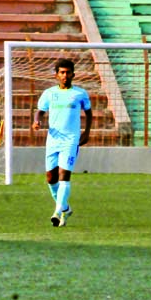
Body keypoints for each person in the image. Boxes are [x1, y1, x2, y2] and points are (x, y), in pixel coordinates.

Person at [32, 58, 92, 227]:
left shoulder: (80, 93)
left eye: (68, 72)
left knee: (64, 175)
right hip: (53, 140)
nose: (65, 75)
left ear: (73, 74)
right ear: (56, 75)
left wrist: (86, 132)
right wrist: (37, 121)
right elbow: (40, 111)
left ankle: (57, 212)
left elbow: (88, 113)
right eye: (62, 72)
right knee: (51, 178)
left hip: (71, 140)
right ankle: (65, 207)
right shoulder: (49, 93)